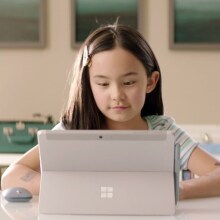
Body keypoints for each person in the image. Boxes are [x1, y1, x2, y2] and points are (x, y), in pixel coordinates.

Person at [1, 24, 220, 200]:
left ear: (151, 82)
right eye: (103, 84)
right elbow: (11, 176)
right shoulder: (72, 132)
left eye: (129, 82)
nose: (117, 95)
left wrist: (176, 191)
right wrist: (67, 188)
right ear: (89, 85)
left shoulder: (164, 133)